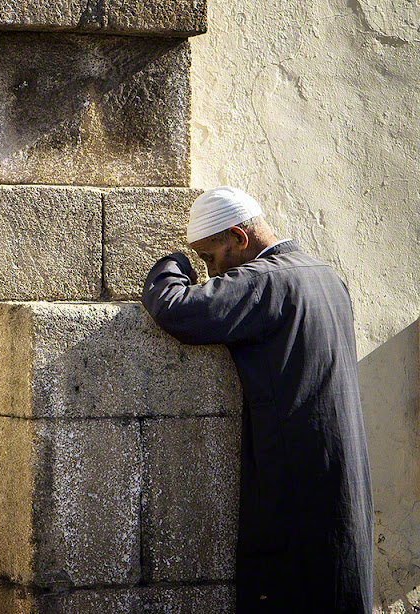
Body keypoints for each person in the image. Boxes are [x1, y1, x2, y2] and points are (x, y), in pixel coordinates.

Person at [142, 186, 373, 613]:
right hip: (340, 468)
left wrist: (173, 263)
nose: (210, 273)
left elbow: (175, 308)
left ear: (238, 237)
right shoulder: (324, 275)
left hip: (296, 476)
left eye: (209, 257)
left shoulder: (265, 280)